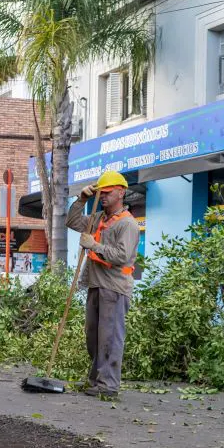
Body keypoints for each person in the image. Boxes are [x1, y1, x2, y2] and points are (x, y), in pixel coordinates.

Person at [66, 170, 139, 400]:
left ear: (121, 192)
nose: (104, 196)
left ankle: (108, 385)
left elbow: (122, 255)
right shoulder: (98, 218)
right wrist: (82, 200)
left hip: (115, 287)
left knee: (110, 337)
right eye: (101, 192)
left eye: (107, 192)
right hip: (95, 284)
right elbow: (73, 222)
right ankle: (96, 379)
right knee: (93, 336)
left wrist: (94, 245)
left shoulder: (128, 224)